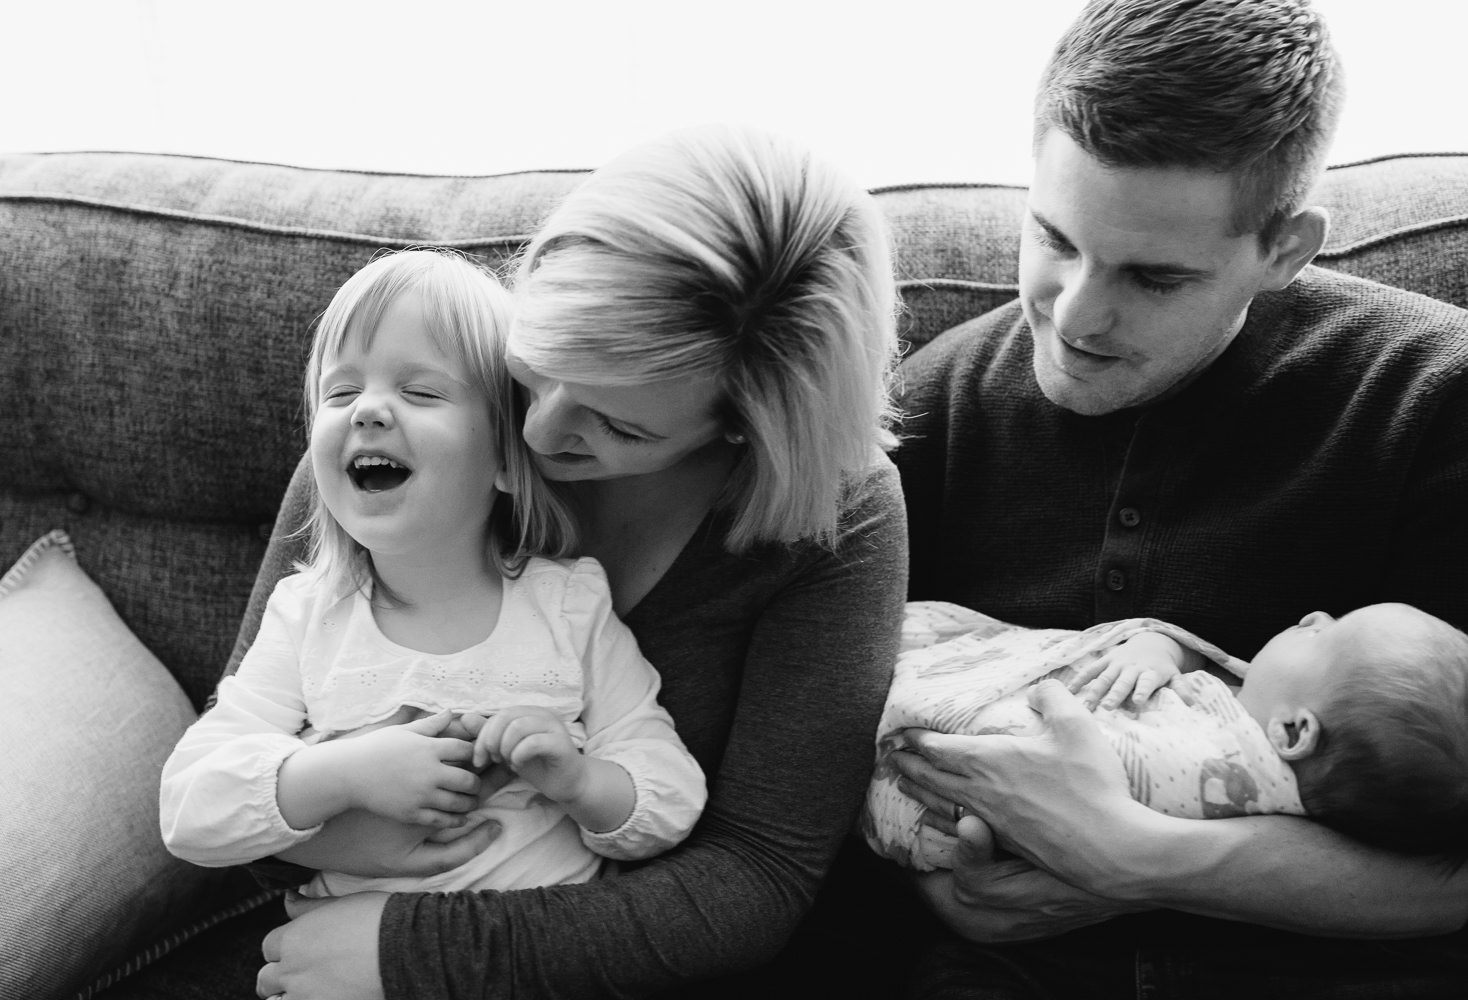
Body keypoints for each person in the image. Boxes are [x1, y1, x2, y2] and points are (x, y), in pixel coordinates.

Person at [214, 125, 908, 999]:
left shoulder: (834, 516)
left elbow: (760, 874)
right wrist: (325, 836)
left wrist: (426, 952)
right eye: (540, 366)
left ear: (740, 428)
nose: (538, 433)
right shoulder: (419, 402)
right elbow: (231, 771)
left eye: (620, 426)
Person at [886, 0, 1468, 994]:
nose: (1073, 316)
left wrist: (1141, 863)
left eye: (1153, 279)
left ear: (1286, 249)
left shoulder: (1431, 401)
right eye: (1054, 238)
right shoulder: (927, 411)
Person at [160, 248, 707, 898]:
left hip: (534, 959)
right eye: (340, 392)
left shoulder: (567, 606)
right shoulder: (309, 614)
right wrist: (337, 774)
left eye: (419, 391)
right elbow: (188, 809)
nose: (368, 410)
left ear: (506, 459)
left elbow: (672, 799)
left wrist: (581, 781)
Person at [866, 602, 1468, 871]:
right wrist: (1160, 648)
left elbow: (1052, 770)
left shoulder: (1211, 779)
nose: (1314, 616)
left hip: (942, 751)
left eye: (1325, 638)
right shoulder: (1252, 714)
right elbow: (1197, 668)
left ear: (1293, 732)